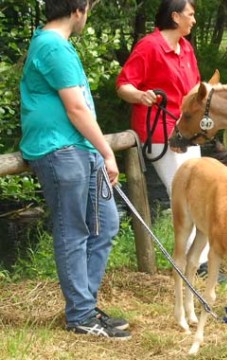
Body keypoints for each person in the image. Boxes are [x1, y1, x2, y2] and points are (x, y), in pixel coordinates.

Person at [19, 0, 130, 339]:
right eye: (89, 8)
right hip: (61, 151)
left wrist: (96, 152)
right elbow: (76, 109)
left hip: (80, 149)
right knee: (74, 231)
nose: (88, 15)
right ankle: (81, 315)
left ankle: (84, 305)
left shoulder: (58, 46)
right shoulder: (52, 46)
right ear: (78, 10)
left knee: (107, 224)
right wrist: (107, 151)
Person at [115, 0, 211, 269]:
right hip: (158, 131)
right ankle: (198, 263)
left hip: (187, 130)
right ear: (175, 16)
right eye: (190, 15)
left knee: (199, 191)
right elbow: (123, 85)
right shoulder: (149, 46)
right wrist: (140, 95)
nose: (193, 21)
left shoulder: (187, 48)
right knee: (184, 193)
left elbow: (194, 91)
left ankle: (203, 258)